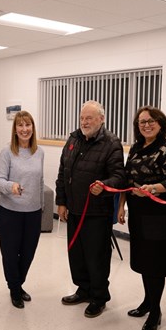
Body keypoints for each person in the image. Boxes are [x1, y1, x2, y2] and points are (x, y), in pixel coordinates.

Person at [56, 100, 125, 318]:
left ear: (101, 119)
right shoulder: (74, 138)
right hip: (73, 209)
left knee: (96, 256)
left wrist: (104, 186)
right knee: (76, 254)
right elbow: (63, 172)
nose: (84, 122)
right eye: (82, 118)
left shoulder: (111, 143)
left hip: (97, 212)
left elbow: (119, 177)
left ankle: (99, 297)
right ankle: (83, 289)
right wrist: (61, 202)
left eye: (89, 118)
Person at [116, 106, 166, 330]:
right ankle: (147, 302)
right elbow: (127, 179)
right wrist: (122, 206)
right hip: (138, 209)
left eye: (151, 121)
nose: (146, 124)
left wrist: (150, 189)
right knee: (144, 258)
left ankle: (155, 312)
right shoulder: (135, 147)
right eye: (141, 122)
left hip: (160, 213)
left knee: (155, 262)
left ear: (161, 124)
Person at [0, 111, 44, 309]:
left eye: (28, 125)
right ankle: (14, 289)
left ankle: (18, 283)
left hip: (33, 212)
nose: (24, 129)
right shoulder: (7, 152)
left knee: (28, 253)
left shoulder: (39, 152)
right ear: (15, 129)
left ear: (32, 128)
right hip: (9, 212)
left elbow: (39, 181)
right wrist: (11, 186)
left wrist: (41, 207)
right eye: (20, 126)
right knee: (10, 253)